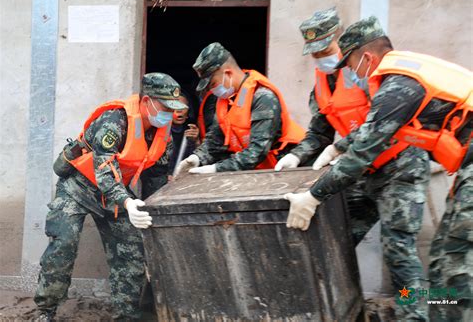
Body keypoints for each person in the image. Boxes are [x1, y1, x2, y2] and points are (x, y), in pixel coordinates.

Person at [284, 16, 472, 321]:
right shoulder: (394, 75)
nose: (343, 68)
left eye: (349, 62)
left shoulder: (396, 83)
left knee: (428, 254)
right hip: (374, 173)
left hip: (399, 168)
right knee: (445, 259)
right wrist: (304, 154)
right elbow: (333, 137)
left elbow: (366, 144)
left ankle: (419, 314)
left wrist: (314, 194)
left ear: (366, 56)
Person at [34, 73, 187, 321]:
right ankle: (45, 310)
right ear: (147, 100)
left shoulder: (163, 135)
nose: (169, 114)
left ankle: (127, 315)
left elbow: (156, 179)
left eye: (174, 108)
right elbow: (104, 172)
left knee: (133, 252)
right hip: (78, 188)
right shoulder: (114, 121)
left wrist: (152, 211)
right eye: (166, 107)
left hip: (112, 197)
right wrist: (127, 201)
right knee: (63, 245)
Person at [175, 42, 306, 176]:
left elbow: (257, 151)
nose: (211, 90)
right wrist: (197, 158)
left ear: (228, 74)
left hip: (288, 167)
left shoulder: (262, 97)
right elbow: (215, 139)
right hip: (259, 171)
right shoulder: (226, 101)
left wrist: (215, 169)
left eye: (212, 84)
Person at [140, 92, 200, 197]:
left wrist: (197, 141)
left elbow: (199, 160)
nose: (179, 110)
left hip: (184, 185)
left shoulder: (191, 131)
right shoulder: (156, 129)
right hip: (158, 184)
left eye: (183, 107)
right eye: (175, 107)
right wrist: (165, 177)